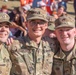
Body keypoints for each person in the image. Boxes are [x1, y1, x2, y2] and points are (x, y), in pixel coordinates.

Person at [9, 8, 57, 75]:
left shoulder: (53, 44)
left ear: (46, 25)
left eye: (41, 22)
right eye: (33, 22)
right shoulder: (12, 45)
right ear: (26, 24)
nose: (37, 26)